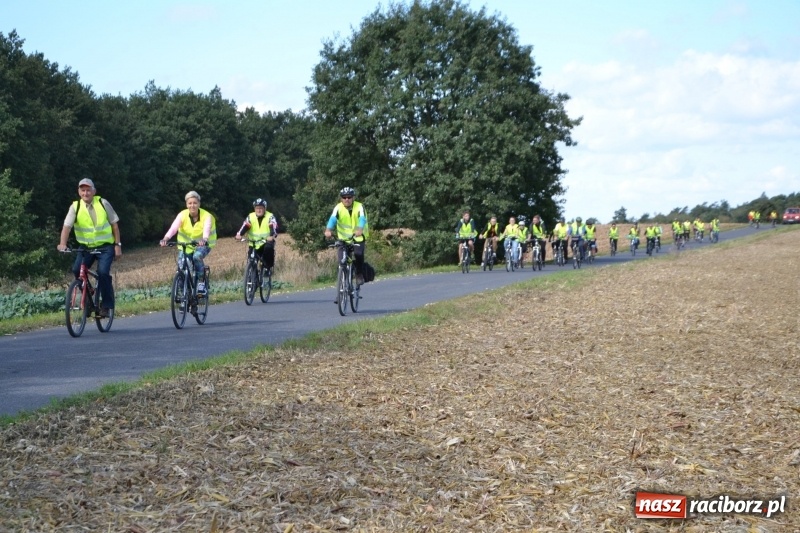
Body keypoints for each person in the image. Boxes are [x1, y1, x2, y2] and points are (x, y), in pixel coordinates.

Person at [57, 178, 122, 317]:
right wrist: (62, 244)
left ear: (94, 191)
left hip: (105, 247)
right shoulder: (75, 207)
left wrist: (117, 245)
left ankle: (106, 305)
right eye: (83, 190)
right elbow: (67, 227)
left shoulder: (103, 203)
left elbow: (114, 226)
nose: (85, 193)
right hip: (85, 247)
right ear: (79, 192)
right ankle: (87, 299)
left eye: (88, 190)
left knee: (103, 273)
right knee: (76, 270)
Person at [159, 191, 217, 295]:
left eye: (195, 203)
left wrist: (204, 239)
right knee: (181, 266)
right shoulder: (182, 215)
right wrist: (165, 238)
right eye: (190, 203)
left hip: (203, 244)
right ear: (186, 204)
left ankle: (201, 282)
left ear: (199, 204)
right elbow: (173, 228)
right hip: (185, 245)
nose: (192, 205)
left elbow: (206, 230)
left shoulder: (207, 216)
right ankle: (183, 293)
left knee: (197, 257)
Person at [325, 186, 368, 286]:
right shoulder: (338, 208)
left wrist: (360, 229)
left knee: (358, 254)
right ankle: (341, 289)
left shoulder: (359, 206)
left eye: (349, 197)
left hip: (358, 237)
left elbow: (362, 218)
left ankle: (359, 274)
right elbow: (332, 219)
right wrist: (328, 230)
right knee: (341, 261)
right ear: (341, 199)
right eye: (344, 197)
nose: (347, 199)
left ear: (353, 198)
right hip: (343, 239)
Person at [235, 198, 278, 274]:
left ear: (265, 209)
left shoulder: (270, 216)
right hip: (253, 243)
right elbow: (245, 226)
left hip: (265, 242)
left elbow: (273, 227)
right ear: (254, 209)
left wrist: (272, 236)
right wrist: (239, 234)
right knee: (251, 261)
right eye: (257, 208)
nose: (259, 210)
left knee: (269, 249)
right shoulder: (251, 217)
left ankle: (267, 269)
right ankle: (251, 278)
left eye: (261, 208)